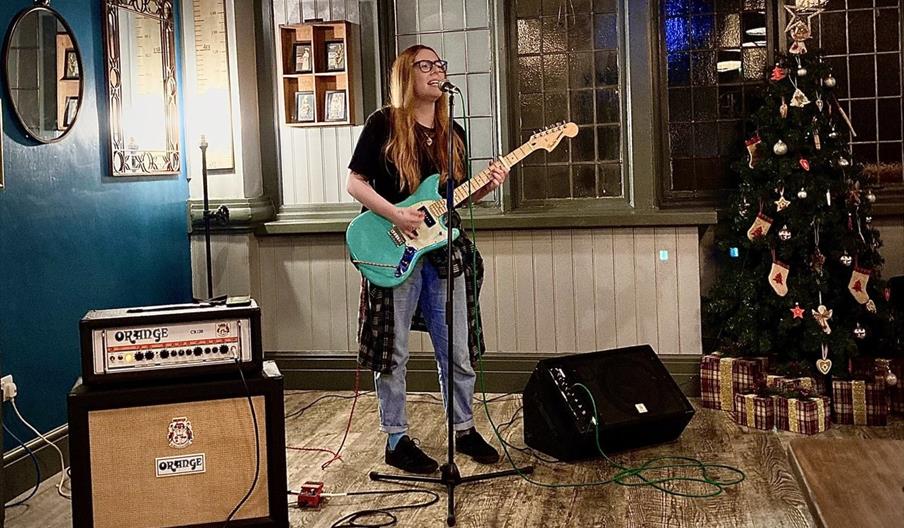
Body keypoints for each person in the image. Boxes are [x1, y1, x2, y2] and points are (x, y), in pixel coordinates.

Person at [347, 45, 508, 474]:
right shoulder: (383, 124)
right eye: (427, 65)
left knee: (454, 345)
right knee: (394, 350)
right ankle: (396, 438)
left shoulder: (452, 131)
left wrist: (487, 186)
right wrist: (396, 213)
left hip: (440, 250)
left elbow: (451, 198)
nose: (437, 71)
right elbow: (355, 183)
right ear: (407, 74)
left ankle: (464, 427)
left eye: (441, 64)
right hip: (391, 243)